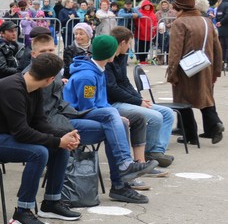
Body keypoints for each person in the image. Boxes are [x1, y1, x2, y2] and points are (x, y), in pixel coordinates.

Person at [29, 33, 154, 204]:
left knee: (119, 123)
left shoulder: (90, 71)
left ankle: (121, 182)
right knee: (113, 119)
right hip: (65, 121)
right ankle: (122, 175)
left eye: (51, 49)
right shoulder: (86, 76)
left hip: (70, 116)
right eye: (44, 50)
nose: (49, 53)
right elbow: (84, 106)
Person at [0, 52, 83, 224]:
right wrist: (57, 141)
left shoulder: (33, 87)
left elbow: (39, 122)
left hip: (2, 136)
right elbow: (22, 133)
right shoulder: (12, 89)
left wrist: (64, 135)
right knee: (39, 152)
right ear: (51, 79)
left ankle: (51, 203)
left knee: (60, 148)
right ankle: (22, 211)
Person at [63, 35, 155, 180]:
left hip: (88, 113)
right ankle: (125, 165)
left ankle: (124, 178)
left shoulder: (99, 70)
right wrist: (114, 115)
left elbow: (102, 102)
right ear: (109, 53)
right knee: (113, 116)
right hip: (75, 116)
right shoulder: (87, 77)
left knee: (120, 119)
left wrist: (115, 116)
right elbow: (86, 107)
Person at [106, 26, 175, 167]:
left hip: (126, 100)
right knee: (156, 117)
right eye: (130, 43)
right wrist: (137, 101)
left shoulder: (121, 57)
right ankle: (147, 154)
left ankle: (156, 151)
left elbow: (124, 81)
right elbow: (112, 89)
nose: (130, 47)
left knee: (168, 113)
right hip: (113, 103)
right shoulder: (108, 59)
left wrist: (139, 99)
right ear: (123, 43)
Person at [167, 0, 223, 144]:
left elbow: (175, 51)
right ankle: (214, 124)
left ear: (179, 8)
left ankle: (190, 136)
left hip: (184, 68)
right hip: (206, 66)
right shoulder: (206, 21)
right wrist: (217, 69)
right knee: (204, 96)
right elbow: (217, 48)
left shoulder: (180, 23)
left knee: (183, 101)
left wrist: (171, 73)